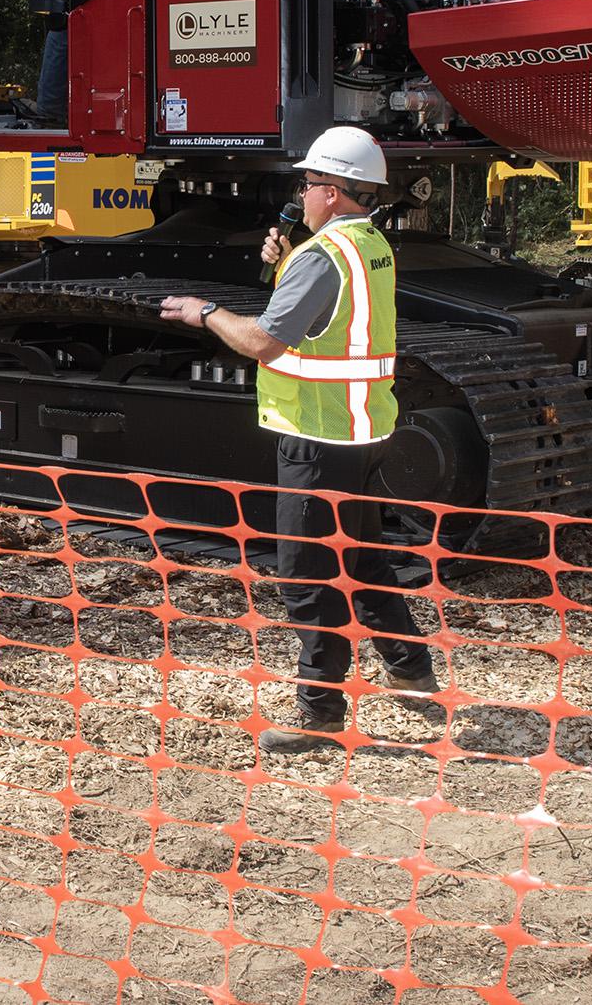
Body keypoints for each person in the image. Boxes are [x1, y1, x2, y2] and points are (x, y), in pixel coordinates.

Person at [158, 125, 436, 754]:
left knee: (307, 576)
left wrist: (204, 311)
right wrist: (288, 260)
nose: (301, 192)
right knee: (361, 558)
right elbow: (323, 318)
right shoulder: (368, 246)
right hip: (365, 428)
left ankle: (320, 714)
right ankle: (413, 673)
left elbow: (264, 341)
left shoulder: (321, 257)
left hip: (317, 436)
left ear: (333, 192)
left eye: (309, 182)